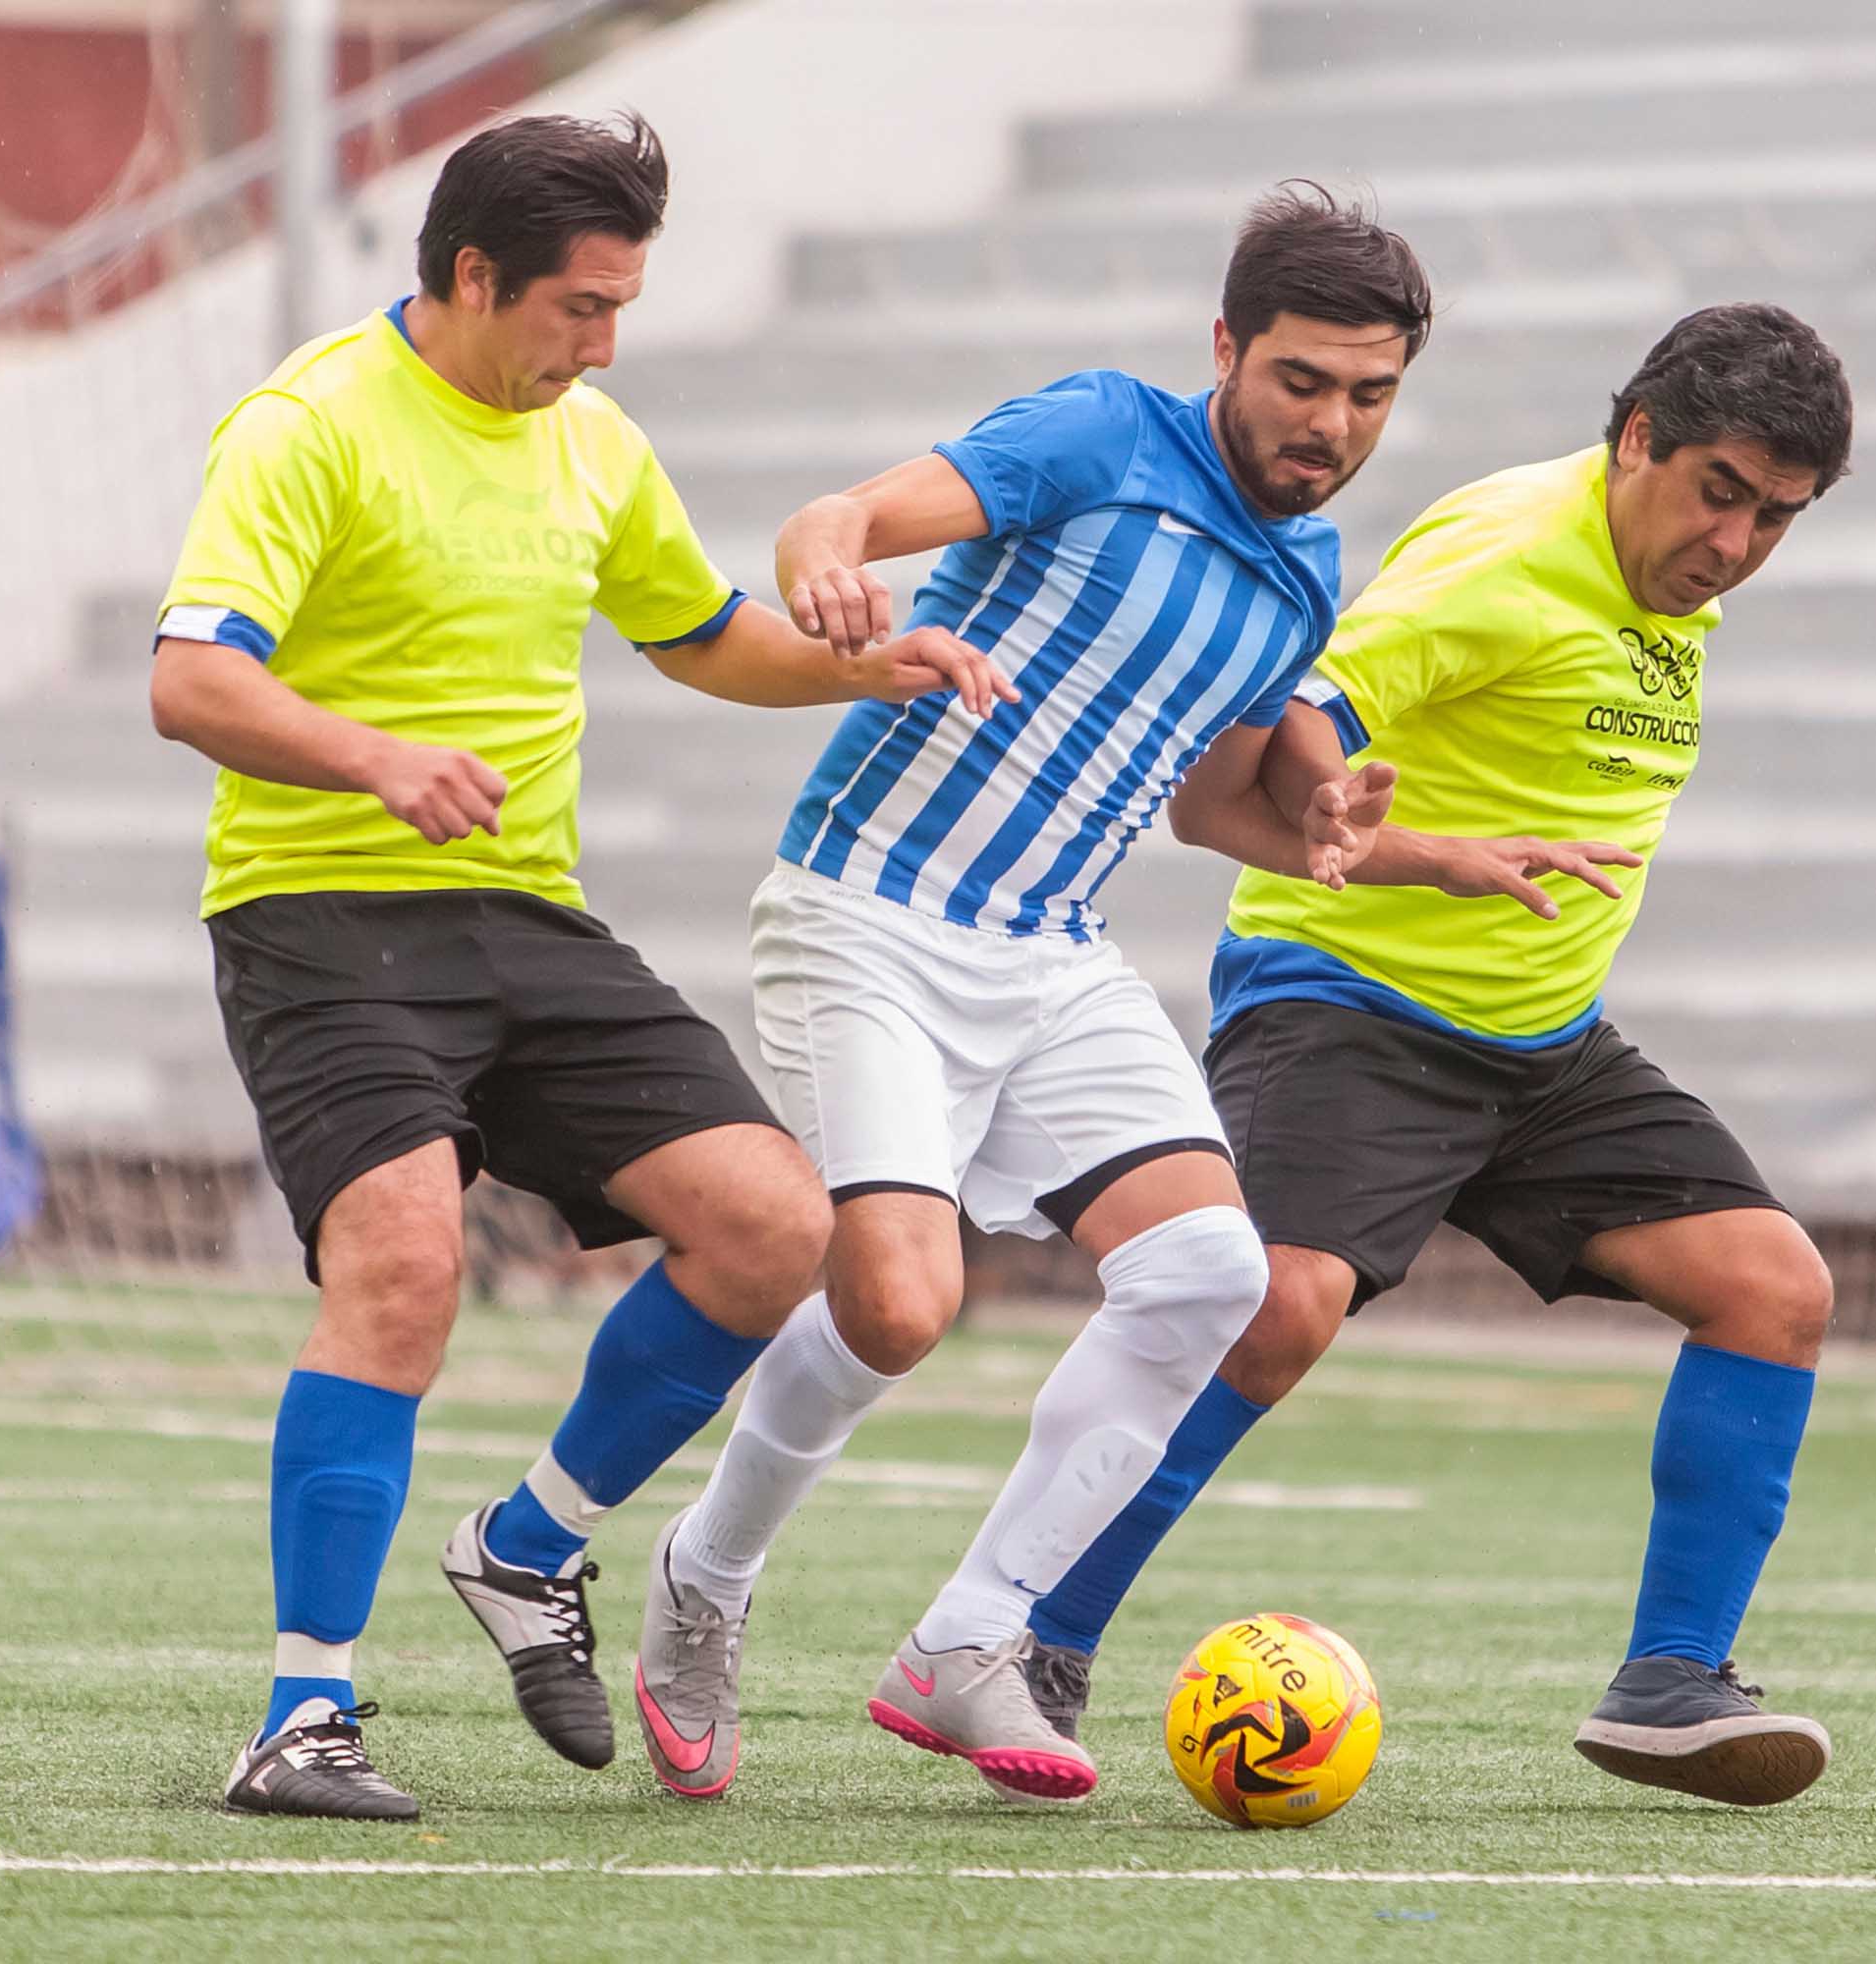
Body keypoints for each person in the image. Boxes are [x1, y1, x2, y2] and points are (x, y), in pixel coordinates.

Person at [635, 186, 1592, 1803]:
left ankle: (968, 1640)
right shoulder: (1097, 431)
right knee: (897, 1304)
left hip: (1050, 947)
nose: (1332, 424)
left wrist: (1415, 850)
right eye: (1301, 380)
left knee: (1212, 1275)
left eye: (1370, 395)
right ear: (1225, 347)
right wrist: (832, 576)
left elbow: (1225, 809)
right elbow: (839, 519)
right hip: (870, 908)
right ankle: (702, 1584)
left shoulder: (1307, 571)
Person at [151, 113, 999, 1823]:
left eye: (620, 307)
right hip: (321, 921)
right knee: (402, 1265)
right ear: (474, 277)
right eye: (581, 307)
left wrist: (870, 669)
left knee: (777, 1224)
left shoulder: (595, 441)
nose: (604, 344)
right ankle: (300, 1719)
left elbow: (699, 638)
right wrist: (377, 756)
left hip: (523, 921)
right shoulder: (308, 425)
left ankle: (527, 1546)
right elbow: (192, 681)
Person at [1021, 302, 1858, 1809]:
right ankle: (1035, 1637)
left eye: (1776, 518)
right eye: (1718, 491)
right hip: (1346, 1000)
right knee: (1272, 1310)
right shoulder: (1507, 554)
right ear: (1638, 440)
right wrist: (1361, 815)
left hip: (1540, 1045)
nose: (1736, 543)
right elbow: (1303, 710)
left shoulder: (1668, 577)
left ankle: (1671, 1682)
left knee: (1773, 1289)